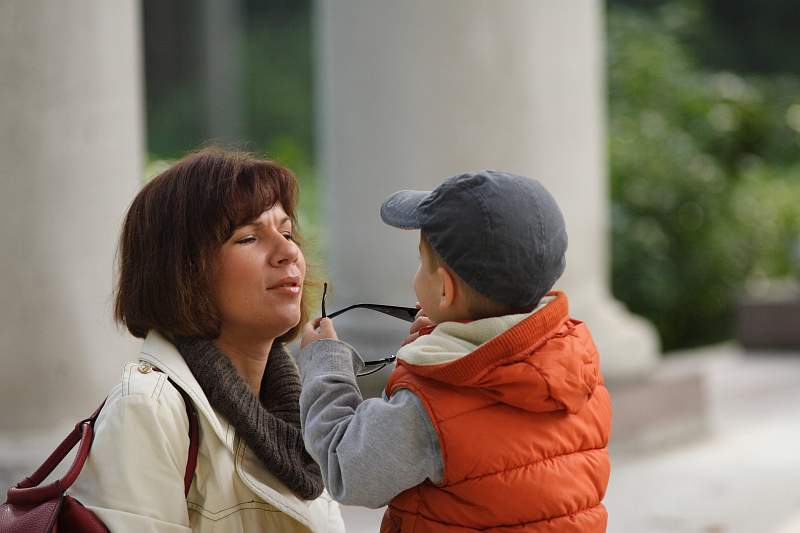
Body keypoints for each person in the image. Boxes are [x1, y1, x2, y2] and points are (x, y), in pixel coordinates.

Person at [298, 171, 612, 532]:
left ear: (445, 290)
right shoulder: (578, 368)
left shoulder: (428, 409)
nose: (415, 277)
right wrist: (434, 344)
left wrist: (326, 365)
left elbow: (348, 468)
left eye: (421, 263)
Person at [68, 148, 344, 532]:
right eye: (249, 238)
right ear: (184, 270)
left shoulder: (298, 413)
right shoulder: (148, 408)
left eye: (286, 232)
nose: (289, 253)